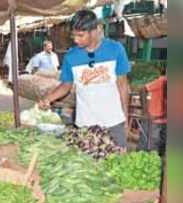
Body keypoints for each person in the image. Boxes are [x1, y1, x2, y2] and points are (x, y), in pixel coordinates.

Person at [39, 9, 130, 148]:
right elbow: (65, 85)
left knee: (116, 164)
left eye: (80, 35)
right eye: (73, 36)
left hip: (114, 122)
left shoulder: (116, 49)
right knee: (88, 165)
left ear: (95, 30)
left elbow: (122, 85)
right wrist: (48, 98)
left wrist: (125, 117)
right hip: (85, 124)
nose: (76, 40)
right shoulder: (71, 56)